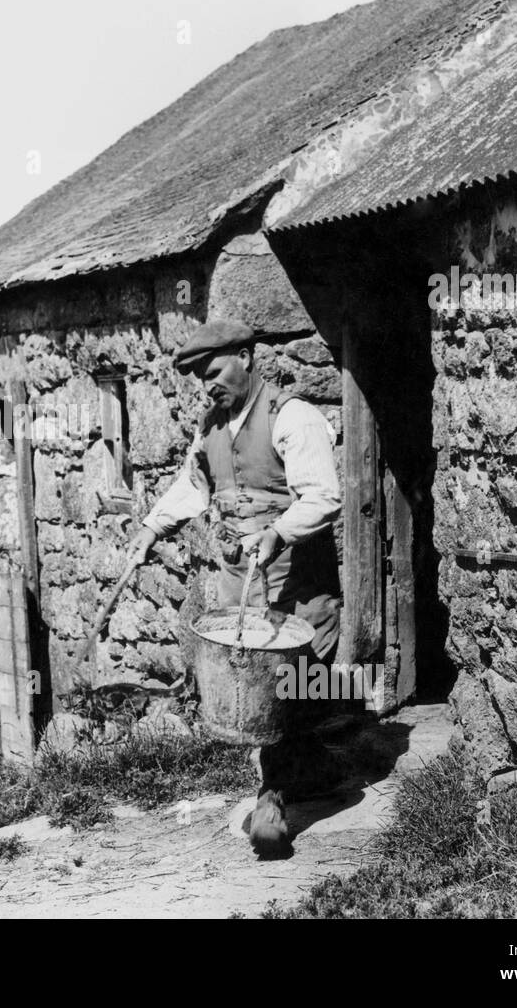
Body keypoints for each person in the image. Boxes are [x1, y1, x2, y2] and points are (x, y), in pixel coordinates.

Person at [125, 318, 343, 856]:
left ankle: (272, 800)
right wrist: (152, 528)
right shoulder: (212, 426)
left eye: (214, 370)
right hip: (239, 583)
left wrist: (277, 531)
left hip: (297, 580)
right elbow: (193, 485)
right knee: (256, 686)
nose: (207, 384)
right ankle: (308, 768)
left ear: (247, 357)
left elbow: (322, 496)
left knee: (289, 687)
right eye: (199, 375)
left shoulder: (293, 418)